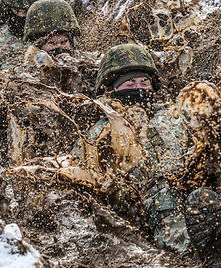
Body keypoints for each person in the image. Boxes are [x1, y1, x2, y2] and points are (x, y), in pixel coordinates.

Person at [71, 43, 191, 254]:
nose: (139, 88)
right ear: (112, 90)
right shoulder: (101, 131)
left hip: (188, 190)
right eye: (129, 84)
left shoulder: (177, 116)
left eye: (145, 82)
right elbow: (76, 173)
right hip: (146, 203)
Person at [0, 0, 81, 164]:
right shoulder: (15, 79)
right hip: (26, 163)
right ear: (38, 45)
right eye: (51, 43)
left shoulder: (83, 72)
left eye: (63, 42)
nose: (58, 48)